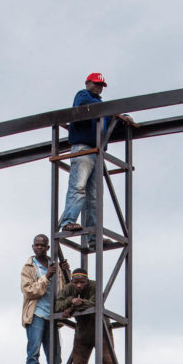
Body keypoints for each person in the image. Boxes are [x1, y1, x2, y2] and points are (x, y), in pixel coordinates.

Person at [58, 73, 110, 241]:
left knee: (94, 195)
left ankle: (93, 237)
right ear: (87, 83)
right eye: (96, 83)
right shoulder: (83, 95)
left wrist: (119, 117)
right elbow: (82, 107)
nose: (98, 87)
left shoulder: (101, 106)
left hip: (96, 151)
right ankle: (68, 221)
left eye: (101, 85)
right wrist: (109, 110)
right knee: (78, 187)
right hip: (83, 148)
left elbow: (108, 120)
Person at [56, 270, 122, 364]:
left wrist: (71, 308)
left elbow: (95, 304)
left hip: (100, 328)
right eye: (76, 282)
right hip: (83, 330)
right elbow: (57, 307)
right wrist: (72, 300)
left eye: (82, 282)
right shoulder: (68, 288)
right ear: (72, 282)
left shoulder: (94, 286)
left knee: (108, 362)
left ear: (86, 281)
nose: (79, 285)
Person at [20, 235, 63, 364]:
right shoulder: (28, 267)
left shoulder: (55, 266)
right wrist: (46, 277)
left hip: (52, 315)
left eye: (42, 245)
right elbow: (30, 291)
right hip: (36, 313)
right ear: (33, 247)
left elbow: (65, 289)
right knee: (33, 352)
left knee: (55, 356)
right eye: (36, 245)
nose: (39, 248)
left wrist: (65, 272)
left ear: (47, 247)